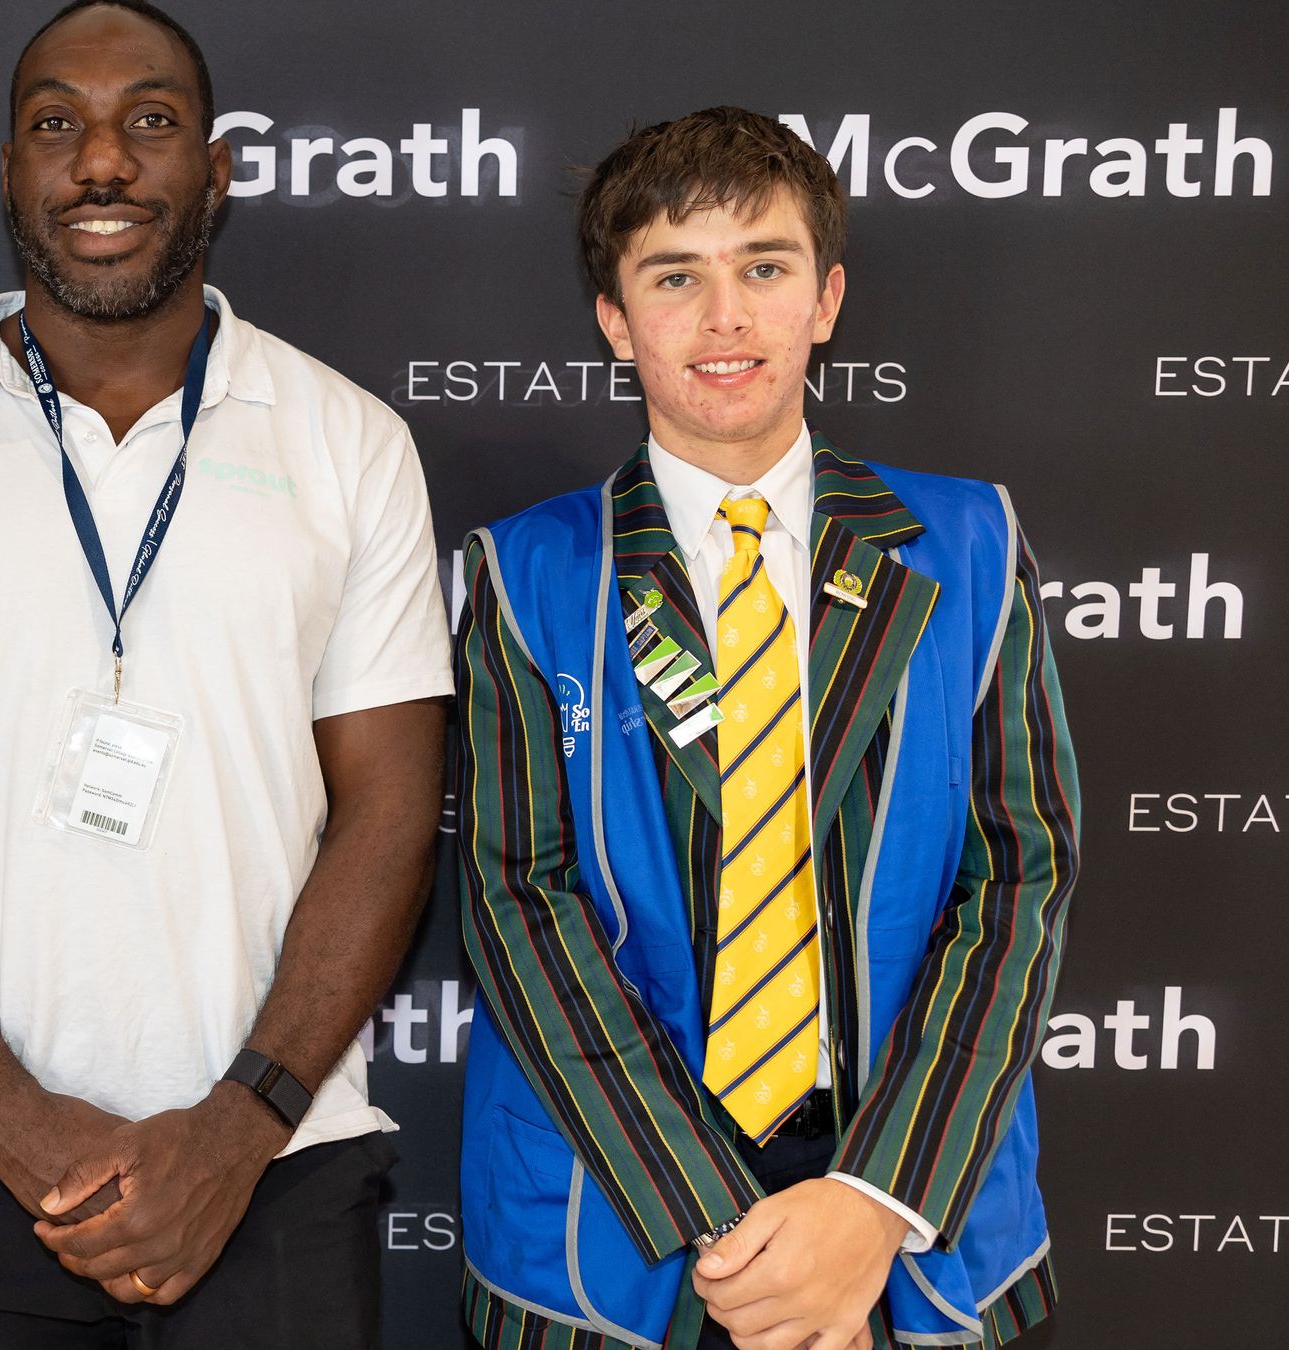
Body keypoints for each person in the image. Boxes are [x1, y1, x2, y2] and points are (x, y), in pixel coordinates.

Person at [0, 2, 452, 1345]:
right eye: (55, 124)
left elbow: (387, 810)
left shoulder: (349, 440)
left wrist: (238, 1126)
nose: (101, 161)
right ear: (10, 170)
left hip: (279, 1160)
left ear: (216, 169)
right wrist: (18, 1126)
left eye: (150, 120)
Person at [456, 108, 1078, 1350]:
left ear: (826, 298)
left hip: (910, 1209)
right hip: (626, 1221)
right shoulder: (527, 572)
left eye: (765, 267)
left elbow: (1019, 878)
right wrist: (732, 1233)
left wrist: (871, 1206)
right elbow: (520, 901)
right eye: (674, 277)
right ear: (615, 320)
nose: (725, 317)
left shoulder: (968, 545)